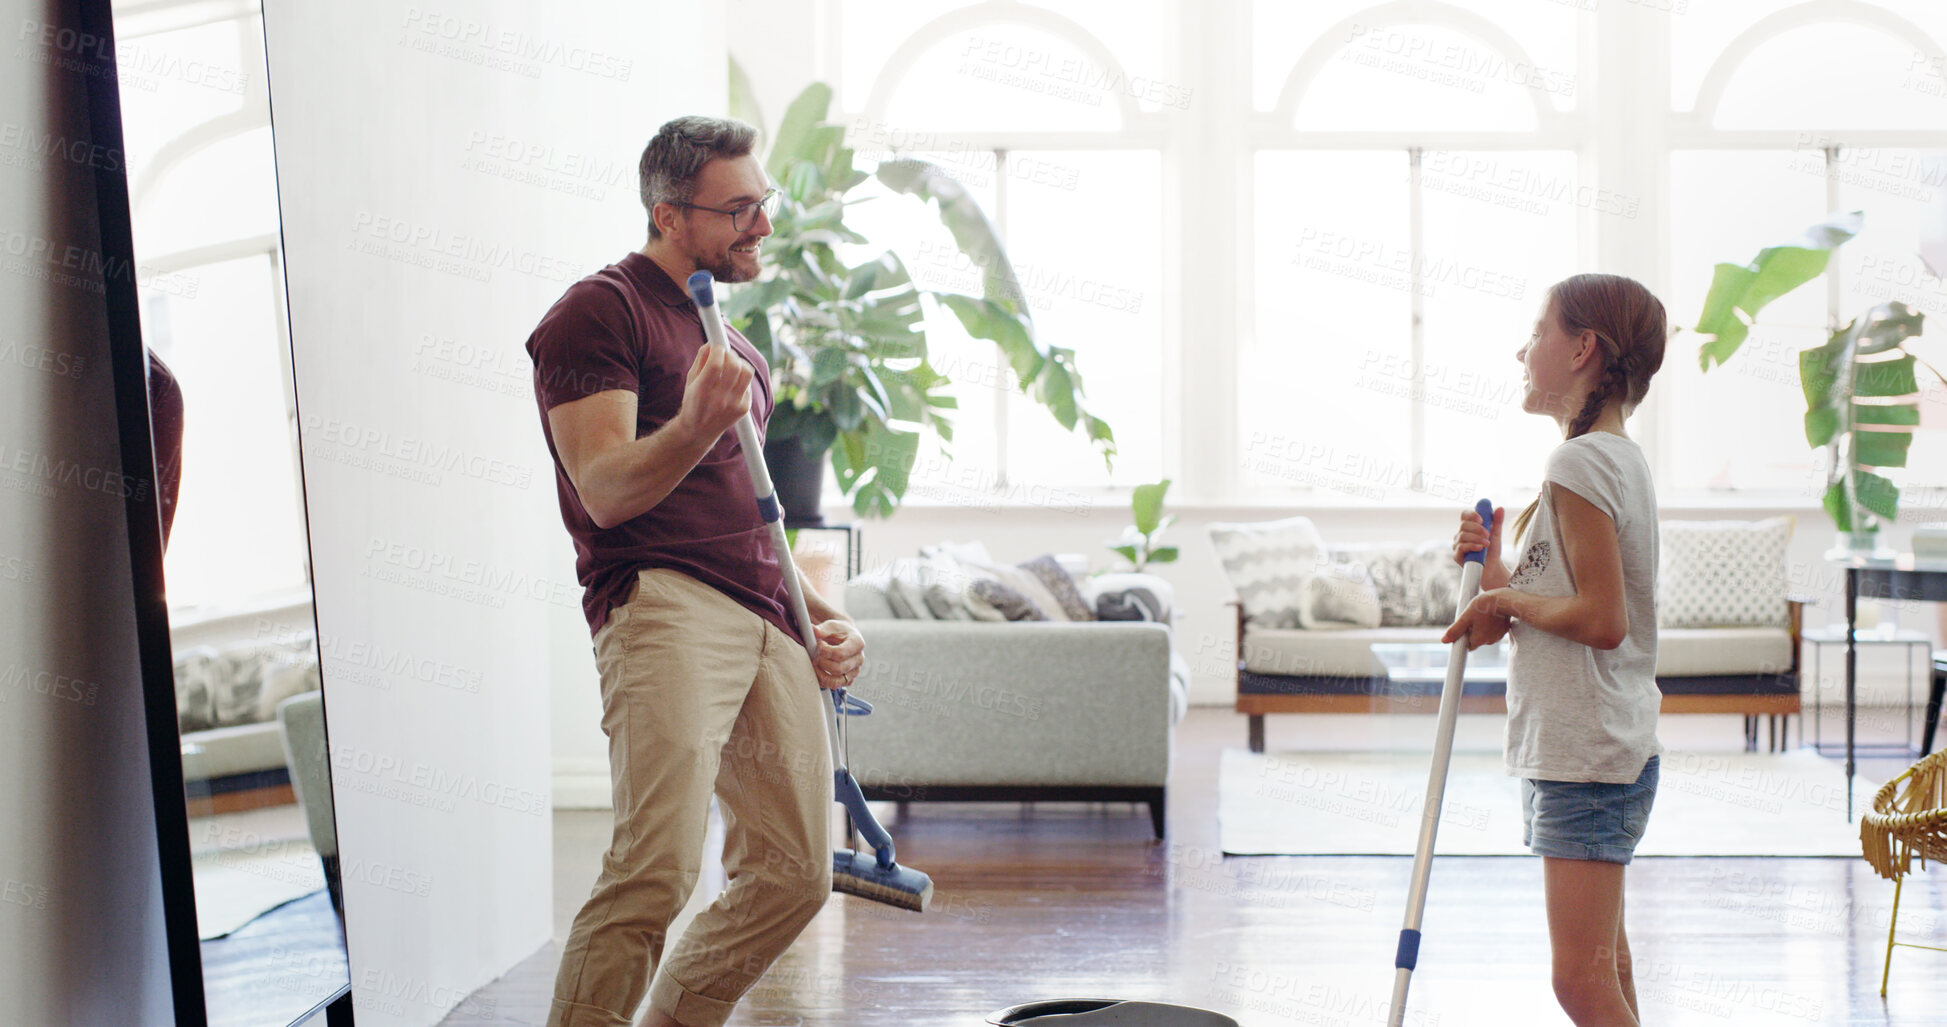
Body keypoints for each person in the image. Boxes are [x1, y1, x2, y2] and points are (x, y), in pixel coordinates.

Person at [525, 115, 865, 1027]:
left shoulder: (733, 347)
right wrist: (693, 424)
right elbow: (604, 490)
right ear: (669, 215)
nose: (763, 225)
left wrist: (821, 613)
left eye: (764, 202)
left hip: (766, 617)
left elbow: (747, 522)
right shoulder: (599, 311)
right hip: (664, 605)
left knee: (795, 872)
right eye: (738, 208)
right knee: (654, 871)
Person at [1442, 274, 1668, 1027]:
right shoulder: (1613, 457)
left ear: (1581, 349)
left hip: (1585, 754)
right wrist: (1492, 573)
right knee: (1608, 966)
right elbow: (1526, 618)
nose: (1521, 351)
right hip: (1594, 743)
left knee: (1579, 982)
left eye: (1537, 332)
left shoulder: (1578, 464)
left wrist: (1502, 599)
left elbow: (1602, 620)